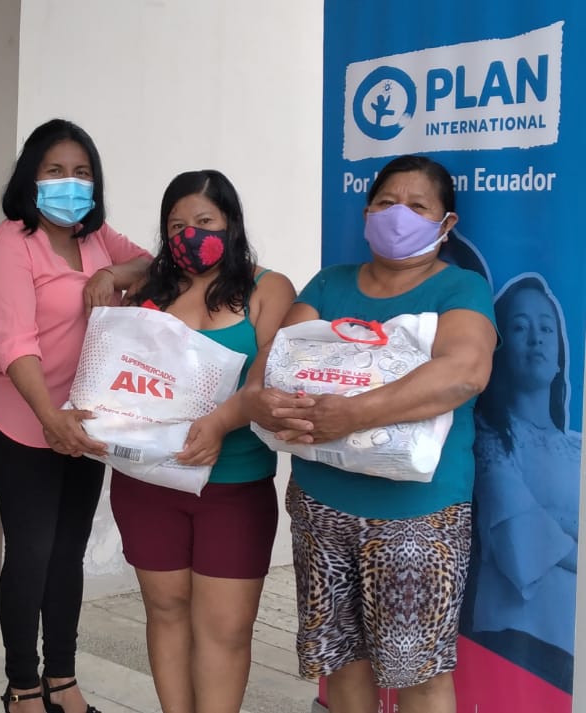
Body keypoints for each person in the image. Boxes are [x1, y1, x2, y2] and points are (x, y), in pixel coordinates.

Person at [242, 154, 497, 713]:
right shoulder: (329, 283)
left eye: (417, 206)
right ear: (366, 213)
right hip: (320, 505)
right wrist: (259, 396)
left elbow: (465, 371)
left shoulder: (460, 288)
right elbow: (276, 357)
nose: (398, 214)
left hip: (417, 516)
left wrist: (356, 413)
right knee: (341, 662)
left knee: (418, 674)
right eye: (386, 202)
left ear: (446, 223)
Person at [0, 118, 151, 713]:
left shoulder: (95, 238)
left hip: (84, 421)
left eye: (81, 172)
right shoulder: (7, 246)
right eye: (55, 171)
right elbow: (13, 344)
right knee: (31, 552)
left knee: (68, 552)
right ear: (31, 177)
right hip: (22, 420)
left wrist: (109, 273)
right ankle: (23, 687)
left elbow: (152, 264)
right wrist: (50, 417)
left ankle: (63, 680)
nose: (69, 183)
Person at [111, 170, 295, 713]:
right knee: (165, 611)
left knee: (225, 629)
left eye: (204, 221)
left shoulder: (268, 289)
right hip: (148, 481)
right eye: (176, 225)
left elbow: (270, 379)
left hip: (234, 484)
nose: (189, 234)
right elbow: (118, 375)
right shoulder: (149, 292)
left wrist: (219, 424)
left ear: (231, 224)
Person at [466, 274, 580, 692]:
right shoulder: (485, 435)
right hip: (512, 636)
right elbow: (519, 543)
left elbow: (539, 531)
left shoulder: (578, 446)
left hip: (573, 642)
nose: (536, 338)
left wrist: (554, 530)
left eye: (546, 328)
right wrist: (565, 532)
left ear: (560, 353)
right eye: (519, 327)